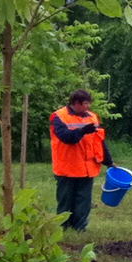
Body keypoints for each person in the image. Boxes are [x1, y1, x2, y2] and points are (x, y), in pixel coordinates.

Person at [50, 89, 113, 231]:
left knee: (84, 201)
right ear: (76, 103)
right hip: (67, 168)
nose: (88, 107)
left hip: (87, 168)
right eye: (85, 103)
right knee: (65, 201)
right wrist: (83, 131)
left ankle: (80, 228)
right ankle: (64, 228)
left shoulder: (93, 117)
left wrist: (109, 161)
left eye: (89, 103)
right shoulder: (59, 117)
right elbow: (66, 138)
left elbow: (100, 141)